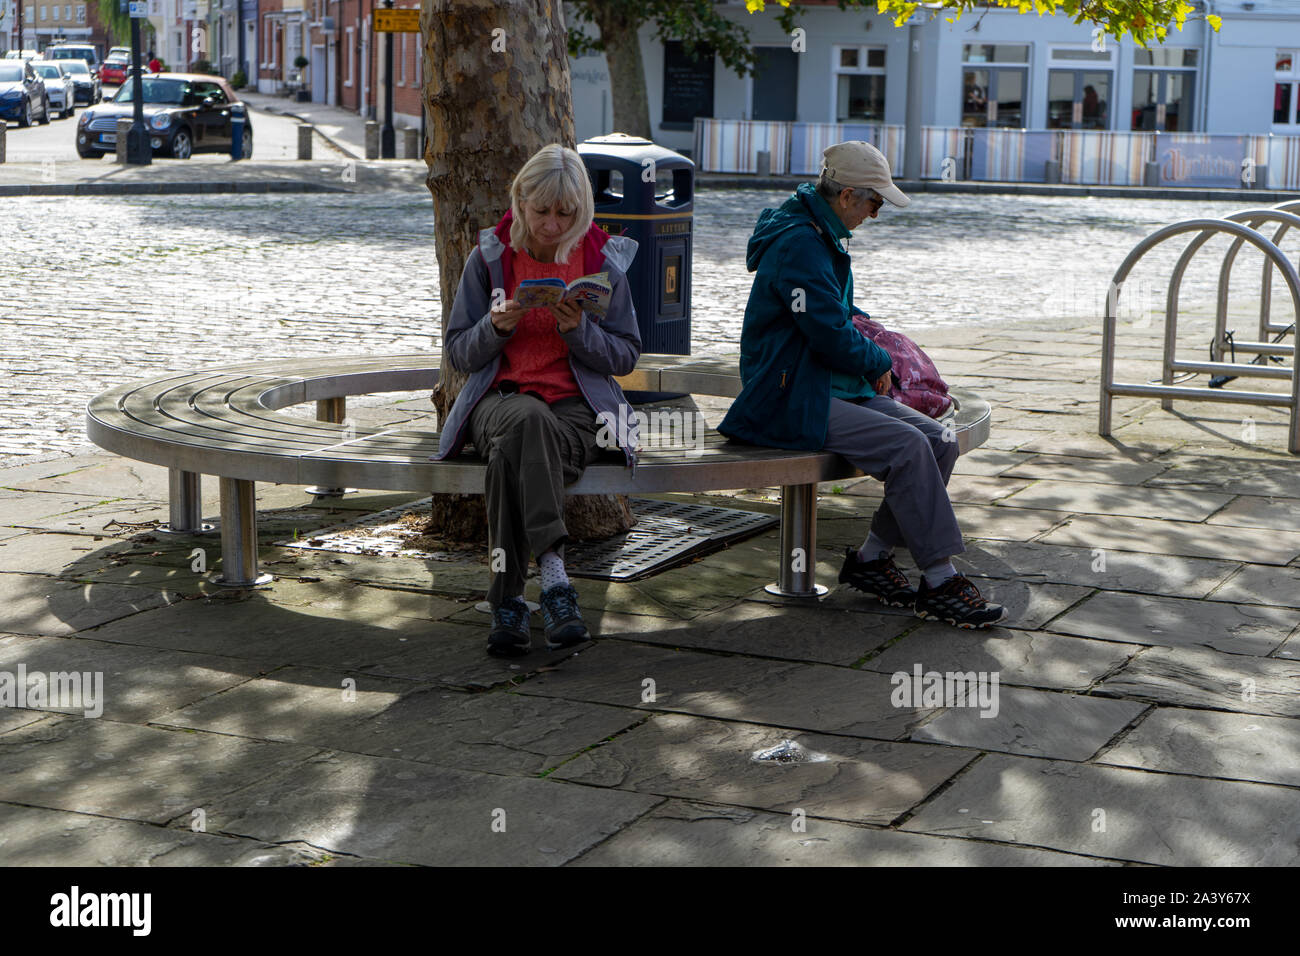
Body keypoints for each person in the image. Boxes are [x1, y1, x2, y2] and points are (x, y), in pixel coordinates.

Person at [718, 141, 1005, 628]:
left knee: (941, 440)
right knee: (910, 447)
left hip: (822, 386)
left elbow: (834, 315)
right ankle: (939, 580)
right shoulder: (799, 243)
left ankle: (872, 558)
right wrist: (877, 356)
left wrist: (870, 337)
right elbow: (827, 330)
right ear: (848, 195)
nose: (875, 214)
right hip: (789, 396)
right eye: (875, 203)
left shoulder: (816, 232)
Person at [434, 144, 641, 657]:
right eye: (542, 210)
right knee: (524, 419)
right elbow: (459, 352)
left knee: (517, 450)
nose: (552, 224)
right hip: (499, 401)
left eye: (565, 213)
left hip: (579, 410)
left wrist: (580, 335)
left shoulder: (602, 261)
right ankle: (554, 578)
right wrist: (494, 326)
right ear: (521, 200)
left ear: (582, 211)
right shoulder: (491, 258)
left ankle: (508, 603)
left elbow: (625, 355)